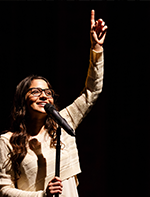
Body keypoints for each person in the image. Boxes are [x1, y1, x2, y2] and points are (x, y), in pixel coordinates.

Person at [0, 10, 107, 197]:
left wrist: (96, 48)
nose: (43, 96)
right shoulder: (8, 141)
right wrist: (42, 195)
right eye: (35, 91)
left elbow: (92, 91)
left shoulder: (64, 122)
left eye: (48, 92)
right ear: (22, 99)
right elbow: (3, 190)